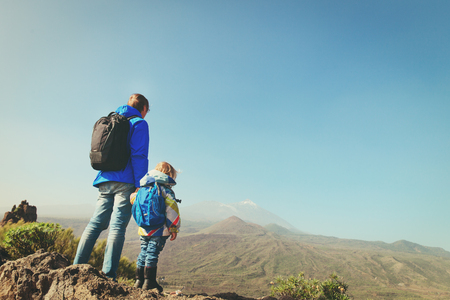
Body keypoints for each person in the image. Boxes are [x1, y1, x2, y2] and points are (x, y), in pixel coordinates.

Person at [73, 93, 150, 280]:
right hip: (125, 181)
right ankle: (108, 275)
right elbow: (139, 156)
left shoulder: (110, 120)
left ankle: (75, 267)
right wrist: (140, 185)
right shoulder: (139, 123)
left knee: (95, 223)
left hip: (104, 178)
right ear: (144, 108)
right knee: (117, 227)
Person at [131, 161, 181, 292]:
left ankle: (138, 281)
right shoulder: (165, 190)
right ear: (168, 175)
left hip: (143, 229)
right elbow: (172, 209)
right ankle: (149, 282)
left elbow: (133, 200)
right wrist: (174, 228)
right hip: (159, 230)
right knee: (152, 254)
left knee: (143, 252)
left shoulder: (143, 187)